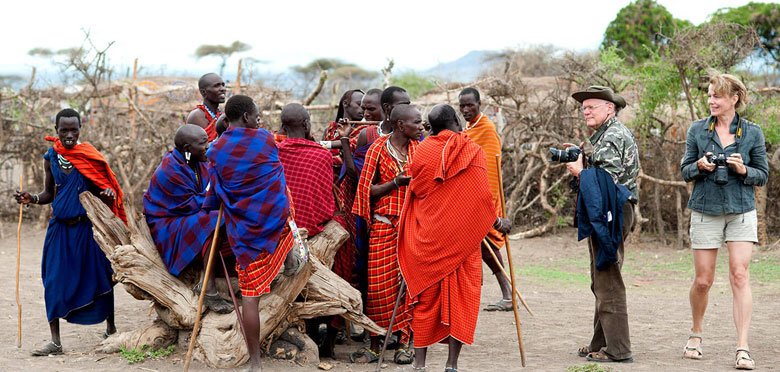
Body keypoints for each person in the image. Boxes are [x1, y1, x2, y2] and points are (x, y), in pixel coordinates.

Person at [398, 104, 512, 372]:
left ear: (432, 126)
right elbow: (482, 199)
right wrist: (498, 222)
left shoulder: (422, 150)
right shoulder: (472, 150)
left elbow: (412, 187)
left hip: (427, 240)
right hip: (463, 242)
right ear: (457, 120)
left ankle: (419, 364)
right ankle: (451, 365)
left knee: (424, 303)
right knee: (460, 302)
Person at [203, 95, 304, 372]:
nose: (259, 118)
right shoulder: (265, 139)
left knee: (250, 296)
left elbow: (214, 195)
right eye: (256, 114)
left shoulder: (214, 150)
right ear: (247, 117)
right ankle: (290, 253)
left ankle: (256, 363)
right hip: (277, 222)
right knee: (282, 188)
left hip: (244, 232)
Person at [14, 108, 125, 356]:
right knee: (53, 280)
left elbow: (104, 189)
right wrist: (31, 198)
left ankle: (111, 329)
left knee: (102, 276)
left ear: (80, 129)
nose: (69, 135)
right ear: (56, 131)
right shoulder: (50, 158)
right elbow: (47, 194)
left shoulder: (89, 157)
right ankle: (55, 342)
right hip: (60, 230)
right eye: (64, 130)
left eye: (74, 129)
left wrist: (107, 193)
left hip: (88, 229)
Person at [680, 73, 768, 370]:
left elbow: (763, 175)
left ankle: (742, 347)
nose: (711, 100)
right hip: (705, 208)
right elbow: (684, 171)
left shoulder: (753, 133)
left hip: (741, 209)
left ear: (734, 98)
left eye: (717, 95)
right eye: (708, 95)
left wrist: (744, 171)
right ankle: (696, 333)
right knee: (703, 280)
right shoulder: (697, 130)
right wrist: (700, 166)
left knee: (739, 275)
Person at [566, 86, 639, 363]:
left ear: (609, 108)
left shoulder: (611, 137)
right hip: (612, 211)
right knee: (601, 276)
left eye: (591, 106)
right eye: (583, 107)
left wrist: (580, 171)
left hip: (612, 211)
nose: (585, 110)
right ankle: (601, 342)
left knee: (608, 278)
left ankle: (618, 349)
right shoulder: (609, 134)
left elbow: (605, 185)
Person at [350, 104, 422, 365]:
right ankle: (374, 344)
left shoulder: (421, 150)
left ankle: (405, 343)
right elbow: (365, 191)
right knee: (378, 287)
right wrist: (395, 183)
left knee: (410, 287)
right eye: (417, 122)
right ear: (401, 125)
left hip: (414, 227)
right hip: (383, 225)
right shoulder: (377, 149)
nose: (421, 127)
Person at [143, 124, 232, 314]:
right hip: (167, 223)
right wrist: (218, 195)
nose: (208, 147)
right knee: (214, 220)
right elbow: (189, 204)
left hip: (190, 213)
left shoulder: (198, 161)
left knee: (223, 217)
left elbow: (208, 192)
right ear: (187, 149)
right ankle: (207, 288)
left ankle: (219, 274)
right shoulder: (170, 169)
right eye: (203, 144)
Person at [457, 87, 513, 311]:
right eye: (462, 106)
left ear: (480, 104)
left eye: (470, 105)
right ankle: (506, 294)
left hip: (482, 197)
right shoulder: (468, 128)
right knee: (482, 247)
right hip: (468, 198)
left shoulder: (487, 129)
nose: (466, 109)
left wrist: (485, 204)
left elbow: (490, 170)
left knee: (486, 245)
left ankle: (508, 295)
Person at [186, 73, 226, 141]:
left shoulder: (220, 115)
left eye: (223, 85)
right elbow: (199, 147)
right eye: (217, 86)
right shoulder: (197, 116)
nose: (223, 89)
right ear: (203, 92)